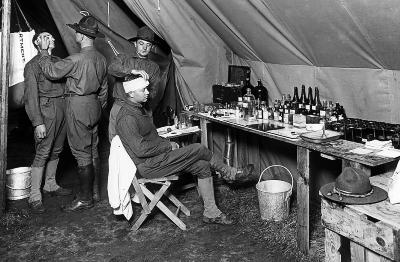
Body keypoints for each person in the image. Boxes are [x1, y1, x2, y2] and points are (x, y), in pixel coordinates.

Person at [115, 77, 254, 225]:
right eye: (143, 90)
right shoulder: (127, 118)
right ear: (130, 93)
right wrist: (168, 146)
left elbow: (151, 138)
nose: (147, 92)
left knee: (203, 166)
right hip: (150, 166)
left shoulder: (138, 109)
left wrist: (167, 144)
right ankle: (230, 173)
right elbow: (140, 149)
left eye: (146, 89)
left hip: (158, 158)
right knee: (198, 148)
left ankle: (211, 213)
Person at [37, 15, 108, 212]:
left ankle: (85, 199)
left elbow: (51, 71)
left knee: (81, 152)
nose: (75, 33)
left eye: (77, 31)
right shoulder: (101, 59)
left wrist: (43, 51)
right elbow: (103, 90)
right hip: (94, 105)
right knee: (93, 150)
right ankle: (94, 193)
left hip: (78, 105)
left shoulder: (76, 59)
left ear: (83, 36)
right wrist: (96, 108)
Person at [23, 30, 72, 213]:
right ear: (37, 42)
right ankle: (34, 195)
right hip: (46, 111)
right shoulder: (33, 65)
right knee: (43, 151)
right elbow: (31, 97)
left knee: (57, 149)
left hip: (63, 108)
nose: (50, 38)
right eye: (44, 36)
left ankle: (50, 184)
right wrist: (37, 122)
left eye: (50, 36)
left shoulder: (58, 61)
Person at [108, 25, 160, 142]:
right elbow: (112, 68)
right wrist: (131, 71)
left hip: (143, 109)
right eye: (141, 43)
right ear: (135, 43)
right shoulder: (123, 59)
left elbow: (153, 92)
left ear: (152, 47)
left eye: (148, 45)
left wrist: (141, 92)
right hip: (120, 106)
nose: (144, 48)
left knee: (147, 142)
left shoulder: (154, 67)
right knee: (117, 143)